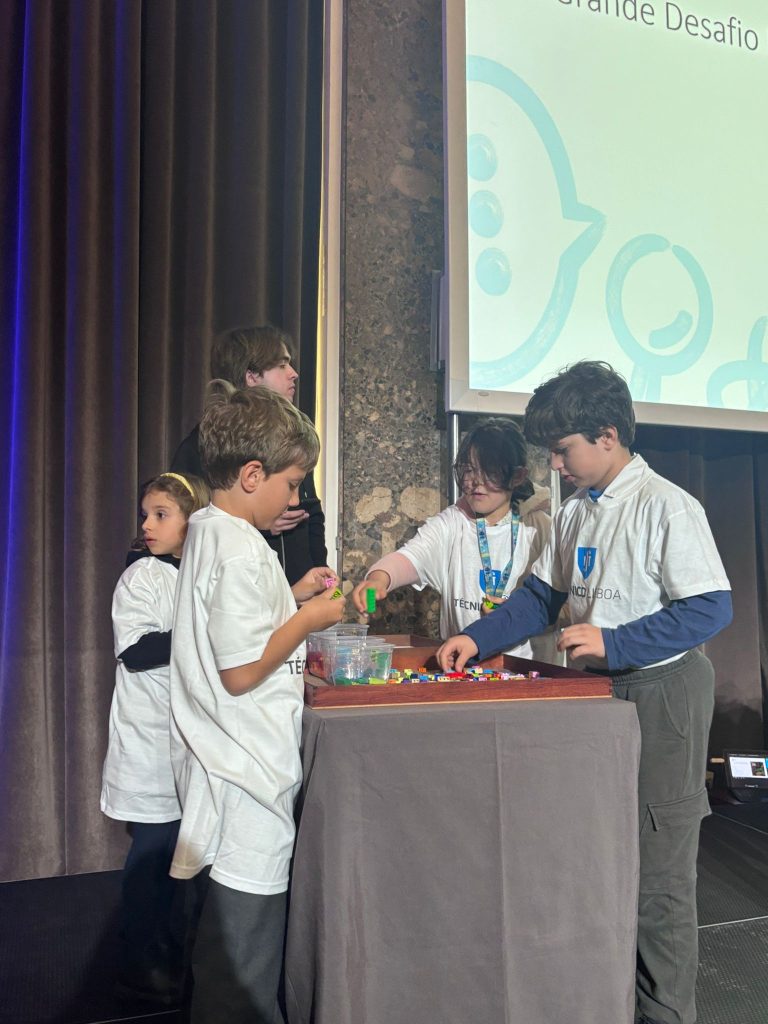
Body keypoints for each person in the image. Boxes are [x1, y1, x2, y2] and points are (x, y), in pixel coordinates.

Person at [437, 361, 732, 1024]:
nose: (556, 465)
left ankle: (666, 1015)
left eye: (563, 450)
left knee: (658, 877)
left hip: (662, 695)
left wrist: (615, 643)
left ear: (607, 436)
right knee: (596, 862)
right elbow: (540, 598)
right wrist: (476, 640)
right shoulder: (574, 513)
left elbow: (710, 608)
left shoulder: (666, 506)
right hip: (597, 696)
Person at [169, 382, 346, 1024]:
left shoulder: (210, 530)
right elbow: (242, 670)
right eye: (292, 485)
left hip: (222, 762)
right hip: (246, 775)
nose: (295, 500)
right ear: (252, 475)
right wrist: (310, 619)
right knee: (243, 963)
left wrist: (291, 597)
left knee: (229, 950)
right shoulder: (242, 549)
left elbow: (232, 625)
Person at [101, 470, 210, 1005]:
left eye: (161, 514)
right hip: (149, 742)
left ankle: (170, 952)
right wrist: (205, 629)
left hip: (187, 743)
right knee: (151, 856)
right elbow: (137, 649)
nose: (147, 524)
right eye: (145, 514)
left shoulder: (197, 575)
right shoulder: (142, 576)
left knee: (180, 859)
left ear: (194, 522)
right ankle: (137, 962)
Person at [351, 418, 553, 659]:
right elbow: (412, 556)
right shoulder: (452, 523)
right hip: (461, 668)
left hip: (529, 671)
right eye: (469, 470)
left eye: (489, 471)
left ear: (517, 475)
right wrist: (379, 578)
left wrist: (510, 617)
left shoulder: (539, 528)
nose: (476, 482)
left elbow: (559, 606)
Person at [171, 324, 327, 584]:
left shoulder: (293, 442)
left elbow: (313, 518)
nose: (294, 374)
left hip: (296, 596)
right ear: (252, 376)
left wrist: (326, 584)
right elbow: (187, 529)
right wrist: (260, 524)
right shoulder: (202, 446)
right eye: (282, 365)